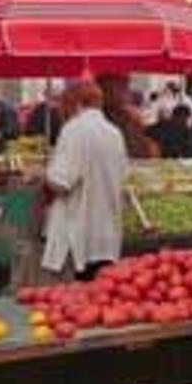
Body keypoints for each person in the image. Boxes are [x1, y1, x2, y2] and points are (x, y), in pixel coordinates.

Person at [42, 80, 128, 279]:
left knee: (77, 297)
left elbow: (61, 184)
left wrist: (42, 175)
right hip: (107, 235)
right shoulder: (115, 133)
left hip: (78, 235)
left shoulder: (74, 130)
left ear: (74, 102)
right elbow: (123, 176)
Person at [99, 73, 158, 160]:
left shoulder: (130, 118)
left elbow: (148, 153)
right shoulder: (97, 118)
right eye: (120, 87)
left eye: (124, 87)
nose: (124, 93)